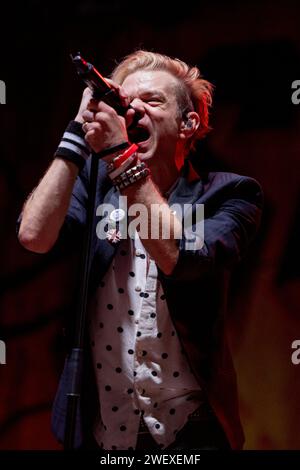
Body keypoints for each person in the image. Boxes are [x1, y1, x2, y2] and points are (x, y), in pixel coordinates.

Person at [17, 50, 263, 451]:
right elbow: (33, 236)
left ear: (188, 123)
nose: (132, 113)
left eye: (151, 101)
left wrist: (120, 156)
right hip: (98, 430)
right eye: (126, 104)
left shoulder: (231, 194)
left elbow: (178, 257)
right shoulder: (95, 188)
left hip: (191, 432)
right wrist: (77, 132)